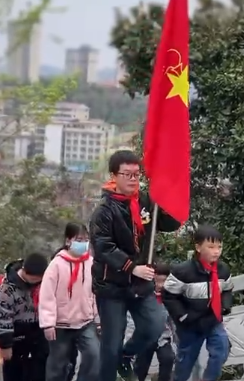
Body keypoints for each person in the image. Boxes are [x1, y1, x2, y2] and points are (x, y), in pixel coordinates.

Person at [90, 150, 181, 381]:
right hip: (112, 286)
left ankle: (126, 355)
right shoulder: (104, 210)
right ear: (114, 176)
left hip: (141, 283)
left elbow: (167, 224)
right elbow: (103, 247)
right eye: (127, 174)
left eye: (136, 174)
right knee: (111, 344)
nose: (133, 179)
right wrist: (131, 267)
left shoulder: (145, 200)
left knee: (155, 325)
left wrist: (172, 201)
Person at [162, 227, 233, 381]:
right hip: (190, 324)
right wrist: (183, 316)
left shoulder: (223, 270)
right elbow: (168, 295)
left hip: (213, 319)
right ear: (198, 247)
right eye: (211, 247)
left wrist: (225, 306)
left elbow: (227, 289)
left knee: (221, 350)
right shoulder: (183, 271)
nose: (216, 251)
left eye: (219, 247)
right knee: (186, 361)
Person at [39, 223, 100, 381]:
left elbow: (94, 292)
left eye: (86, 240)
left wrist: (97, 317)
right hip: (61, 324)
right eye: (79, 239)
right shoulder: (56, 265)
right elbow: (47, 295)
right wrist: (48, 323)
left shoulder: (91, 263)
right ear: (68, 241)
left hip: (85, 321)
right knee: (58, 364)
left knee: (94, 356)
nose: (83, 244)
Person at [0, 252, 49, 381]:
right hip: (16, 336)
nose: (37, 282)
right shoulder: (7, 290)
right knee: (15, 374)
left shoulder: (43, 284)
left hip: (39, 335)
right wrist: (5, 345)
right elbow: (3, 317)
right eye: (34, 279)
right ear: (25, 272)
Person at [133, 265, 175, 381]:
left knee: (168, 358)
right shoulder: (143, 297)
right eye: (157, 281)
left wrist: (179, 340)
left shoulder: (170, 298)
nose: (160, 285)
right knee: (141, 366)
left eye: (164, 281)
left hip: (162, 338)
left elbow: (173, 321)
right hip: (145, 338)